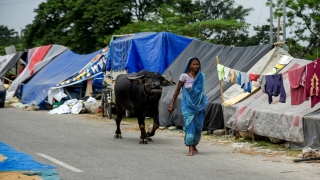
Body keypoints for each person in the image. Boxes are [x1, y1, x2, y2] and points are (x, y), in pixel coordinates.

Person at [168, 57, 208, 156]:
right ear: (189, 66)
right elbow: (177, 90)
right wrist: (172, 103)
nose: (195, 66)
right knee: (190, 124)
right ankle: (190, 147)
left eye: (197, 64)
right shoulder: (184, 76)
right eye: (193, 64)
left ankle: (194, 146)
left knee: (198, 126)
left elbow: (201, 92)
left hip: (198, 105)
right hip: (187, 105)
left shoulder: (201, 77)